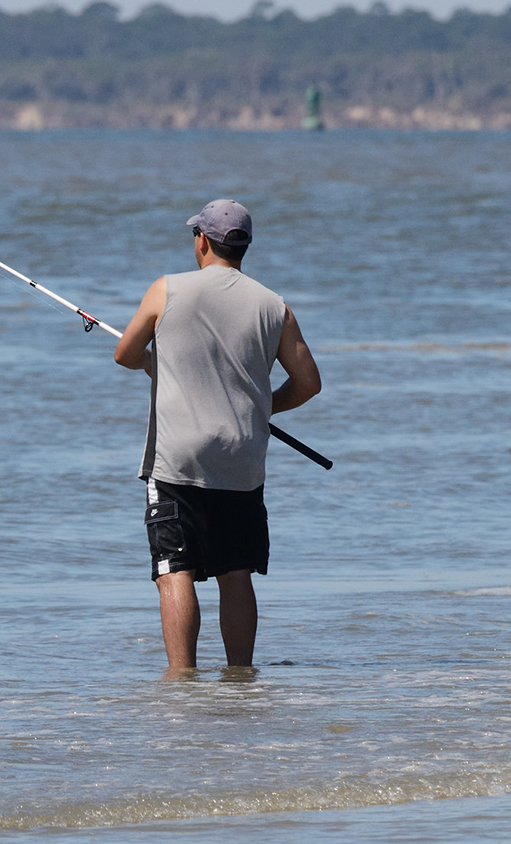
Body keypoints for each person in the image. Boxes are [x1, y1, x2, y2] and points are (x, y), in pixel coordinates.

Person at [114, 199, 321, 671]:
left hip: (177, 460)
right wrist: (261, 407)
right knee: (236, 573)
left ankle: (182, 680)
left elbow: (125, 354)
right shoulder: (275, 306)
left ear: (202, 240)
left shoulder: (166, 289)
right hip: (242, 461)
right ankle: (241, 677)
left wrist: (153, 363)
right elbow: (309, 383)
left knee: (175, 573)